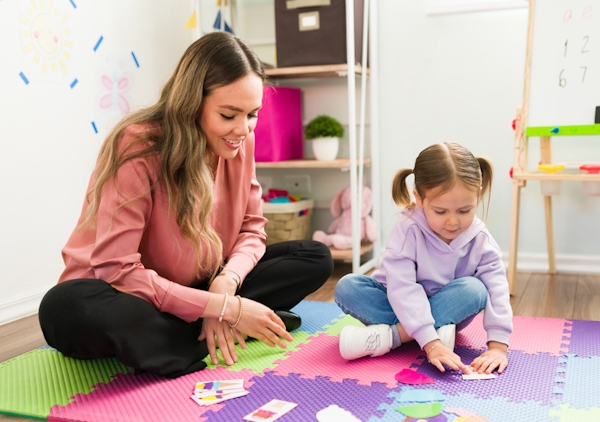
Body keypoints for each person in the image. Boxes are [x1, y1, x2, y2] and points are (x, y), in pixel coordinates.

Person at [38, 31, 333, 378]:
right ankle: (224, 325)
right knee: (63, 306)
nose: (243, 129)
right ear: (192, 103)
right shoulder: (137, 146)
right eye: (229, 115)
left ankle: (188, 333)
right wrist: (227, 309)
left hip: (202, 283)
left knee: (314, 256)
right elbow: (116, 270)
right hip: (127, 292)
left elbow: (253, 229)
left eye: (252, 114)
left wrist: (226, 284)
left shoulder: (242, 142)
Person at [334, 142, 512, 375]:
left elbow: (497, 289)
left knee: (475, 290)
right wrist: (432, 342)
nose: (453, 222)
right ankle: (426, 333)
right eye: (440, 212)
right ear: (419, 198)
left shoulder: (480, 238)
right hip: (398, 302)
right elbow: (403, 289)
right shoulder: (408, 229)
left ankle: (392, 337)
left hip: (447, 306)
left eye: (464, 210)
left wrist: (498, 347)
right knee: (347, 287)